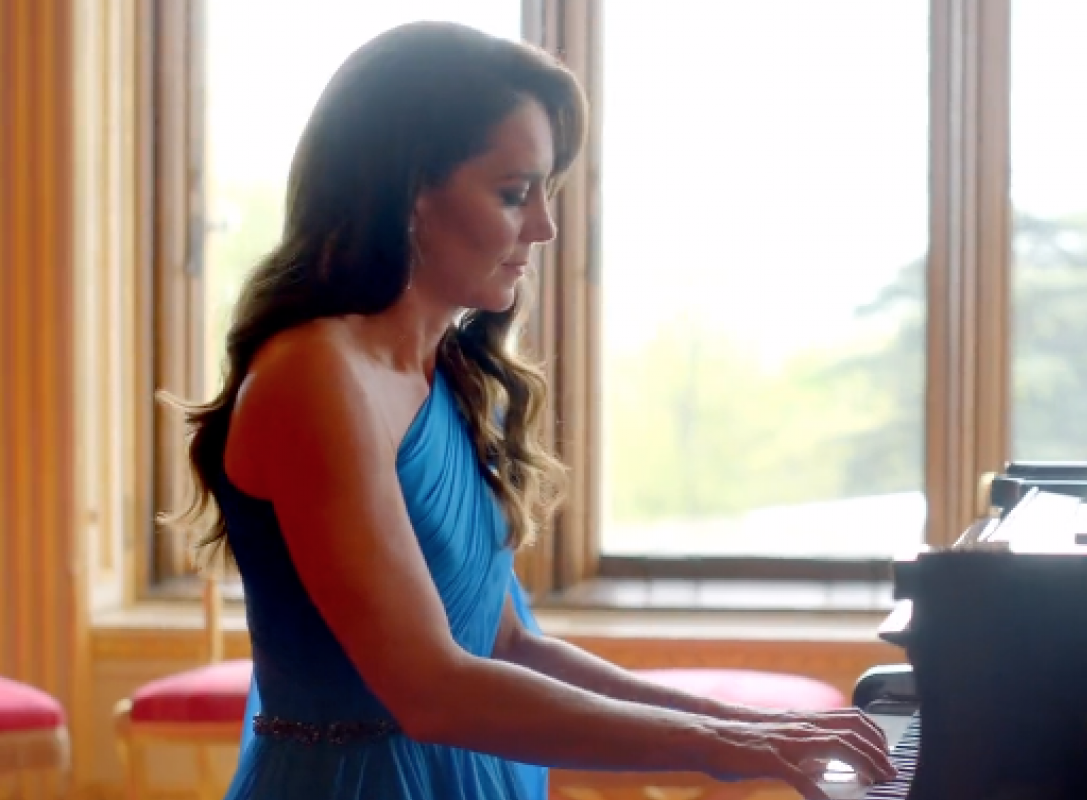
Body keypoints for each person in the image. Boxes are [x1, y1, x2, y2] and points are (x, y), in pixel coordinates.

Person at [164, 20, 897, 800]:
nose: (544, 226)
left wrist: (747, 727)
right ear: (408, 191)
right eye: (515, 193)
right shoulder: (315, 374)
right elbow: (432, 690)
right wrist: (721, 746)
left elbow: (509, 642)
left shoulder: (448, 371)